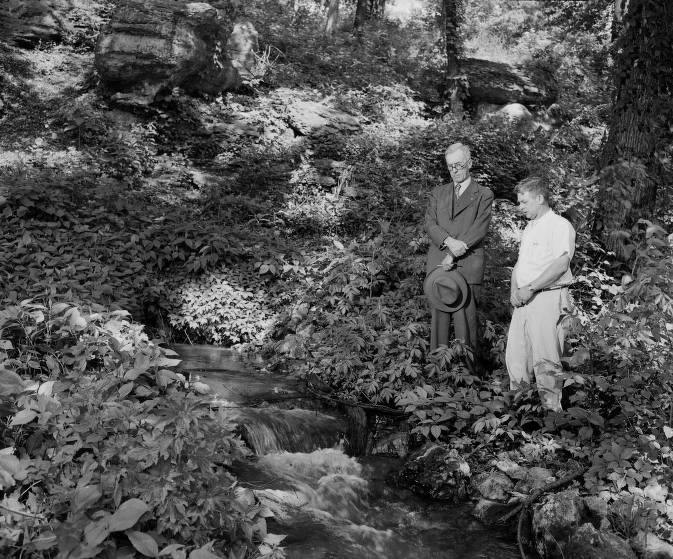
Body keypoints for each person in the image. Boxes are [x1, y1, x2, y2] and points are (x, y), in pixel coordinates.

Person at [505, 176, 576, 411]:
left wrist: (531, 288)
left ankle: (552, 414)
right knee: (517, 355)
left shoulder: (559, 225)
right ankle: (521, 411)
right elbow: (520, 264)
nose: (520, 207)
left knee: (546, 360)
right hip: (523, 301)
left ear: (540, 198)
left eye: (524, 202)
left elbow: (561, 264)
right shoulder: (530, 227)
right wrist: (515, 289)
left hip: (547, 297)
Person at [424, 142, 494, 354]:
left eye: (459, 165)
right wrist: (448, 242)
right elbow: (429, 223)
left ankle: (468, 376)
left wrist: (453, 253)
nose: (454, 170)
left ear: (470, 163)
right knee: (438, 326)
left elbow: (478, 229)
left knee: (467, 326)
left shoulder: (484, 194)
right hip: (438, 266)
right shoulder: (438, 193)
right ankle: (439, 372)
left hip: (467, 265)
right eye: (450, 166)